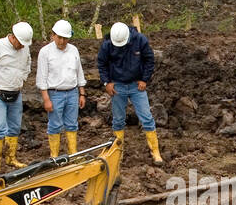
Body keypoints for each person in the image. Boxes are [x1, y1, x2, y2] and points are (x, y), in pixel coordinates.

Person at [98, 21, 163, 163]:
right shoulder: (108, 44)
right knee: (118, 120)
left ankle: (155, 152)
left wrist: (144, 79)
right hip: (117, 86)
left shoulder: (140, 40)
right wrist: (106, 82)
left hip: (136, 85)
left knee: (146, 117)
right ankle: (118, 152)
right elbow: (101, 64)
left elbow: (149, 60)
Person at [0, 21, 34, 173]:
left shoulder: (25, 48)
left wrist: (22, 78)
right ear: (13, 37)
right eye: (20, 43)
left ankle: (11, 157)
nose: (22, 46)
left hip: (16, 93)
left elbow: (28, 63)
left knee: (15, 127)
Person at [36, 19, 86, 157]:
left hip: (72, 92)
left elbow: (79, 72)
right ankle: (54, 156)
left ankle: (73, 153)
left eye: (65, 38)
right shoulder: (45, 52)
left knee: (72, 124)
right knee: (55, 125)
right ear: (53, 35)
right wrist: (46, 99)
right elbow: (42, 77)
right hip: (55, 93)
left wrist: (82, 94)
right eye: (60, 37)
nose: (62, 41)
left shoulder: (74, 50)